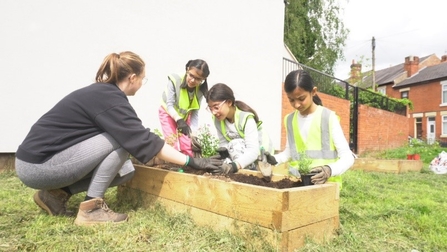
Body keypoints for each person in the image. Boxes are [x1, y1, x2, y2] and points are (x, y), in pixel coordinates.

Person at [15, 51, 222, 226]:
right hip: (37, 165)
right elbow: (144, 140)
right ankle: (91, 210)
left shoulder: (106, 94)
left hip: (43, 161)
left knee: (126, 171)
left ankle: (53, 195)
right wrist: (192, 161)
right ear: (132, 78)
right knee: (123, 140)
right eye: (142, 79)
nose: (142, 84)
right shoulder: (109, 98)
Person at [265, 69, 354, 188]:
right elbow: (290, 152)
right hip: (297, 185)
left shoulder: (328, 118)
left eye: (301, 99)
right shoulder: (290, 120)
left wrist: (329, 170)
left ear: (313, 92)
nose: (296, 104)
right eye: (291, 99)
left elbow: (348, 157)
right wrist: (274, 159)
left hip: (326, 186)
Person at [205, 83, 274, 174]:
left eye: (216, 107)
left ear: (229, 102)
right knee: (226, 152)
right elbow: (224, 144)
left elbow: (253, 151)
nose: (213, 112)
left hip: (262, 157)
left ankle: (249, 172)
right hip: (243, 154)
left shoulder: (246, 118)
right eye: (210, 108)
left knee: (235, 144)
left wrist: (233, 166)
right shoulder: (218, 120)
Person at [159, 59, 209, 157]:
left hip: (184, 117)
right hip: (168, 113)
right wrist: (178, 119)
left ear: (203, 79)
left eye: (198, 79)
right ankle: (172, 166)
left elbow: (195, 112)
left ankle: (187, 169)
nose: (193, 80)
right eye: (191, 75)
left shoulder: (200, 89)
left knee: (188, 145)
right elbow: (169, 104)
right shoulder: (174, 80)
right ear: (187, 70)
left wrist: (194, 133)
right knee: (172, 142)